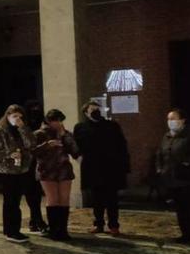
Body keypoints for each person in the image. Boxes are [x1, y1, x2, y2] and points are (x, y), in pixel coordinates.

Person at [73, 101, 130, 235]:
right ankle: (98, 224)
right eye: (93, 109)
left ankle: (114, 225)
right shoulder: (80, 127)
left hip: (111, 168)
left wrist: (124, 166)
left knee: (112, 200)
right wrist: (79, 158)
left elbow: (122, 145)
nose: (96, 111)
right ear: (86, 112)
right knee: (96, 199)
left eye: (98, 109)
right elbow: (76, 146)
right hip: (92, 169)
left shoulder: (112, 126)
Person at [156, 108, 190, 246]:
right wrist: (160, 169)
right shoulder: (167, 136)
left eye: (173, 119)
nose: (170, 122)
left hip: (189, 179)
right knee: (181, 210)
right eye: (169, 119)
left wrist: (187, 164)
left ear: (182, 120)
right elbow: (160, 153)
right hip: (172, 179)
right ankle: (187, 234)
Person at [0, 104, 35, 243]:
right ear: (7, 117)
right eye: (14, 116)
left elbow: (31, 144)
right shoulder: (0, 131)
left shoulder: (22, 129)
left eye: (20, 116)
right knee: (10, 201)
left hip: (22, 169)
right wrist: (8, 154)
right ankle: (11, 231)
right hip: (7, 171)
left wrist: (22, 128)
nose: (17, 119)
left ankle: (14, 230)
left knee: (17, 201)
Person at [32, 109, 79, 241]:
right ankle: (53, 230)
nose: (58, 123)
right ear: (48, 121)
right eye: (55, 120)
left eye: (60, 120)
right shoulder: (39, 134)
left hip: (64, 170)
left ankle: (63, 230)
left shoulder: (65, 134)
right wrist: (47, 145)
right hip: (47, 170)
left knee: (64, 199)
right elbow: (32, 151)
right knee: (53, 199)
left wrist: (64, 135)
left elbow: (74, 151)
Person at [23, 100, 48, 233]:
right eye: (33, 108)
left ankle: (35, 220)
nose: (35, 111)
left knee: (36, 194)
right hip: (28, 163)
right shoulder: (25, 125)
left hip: (40, 162)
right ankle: (37, 220)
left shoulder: (43, 123)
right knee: (31, 192)